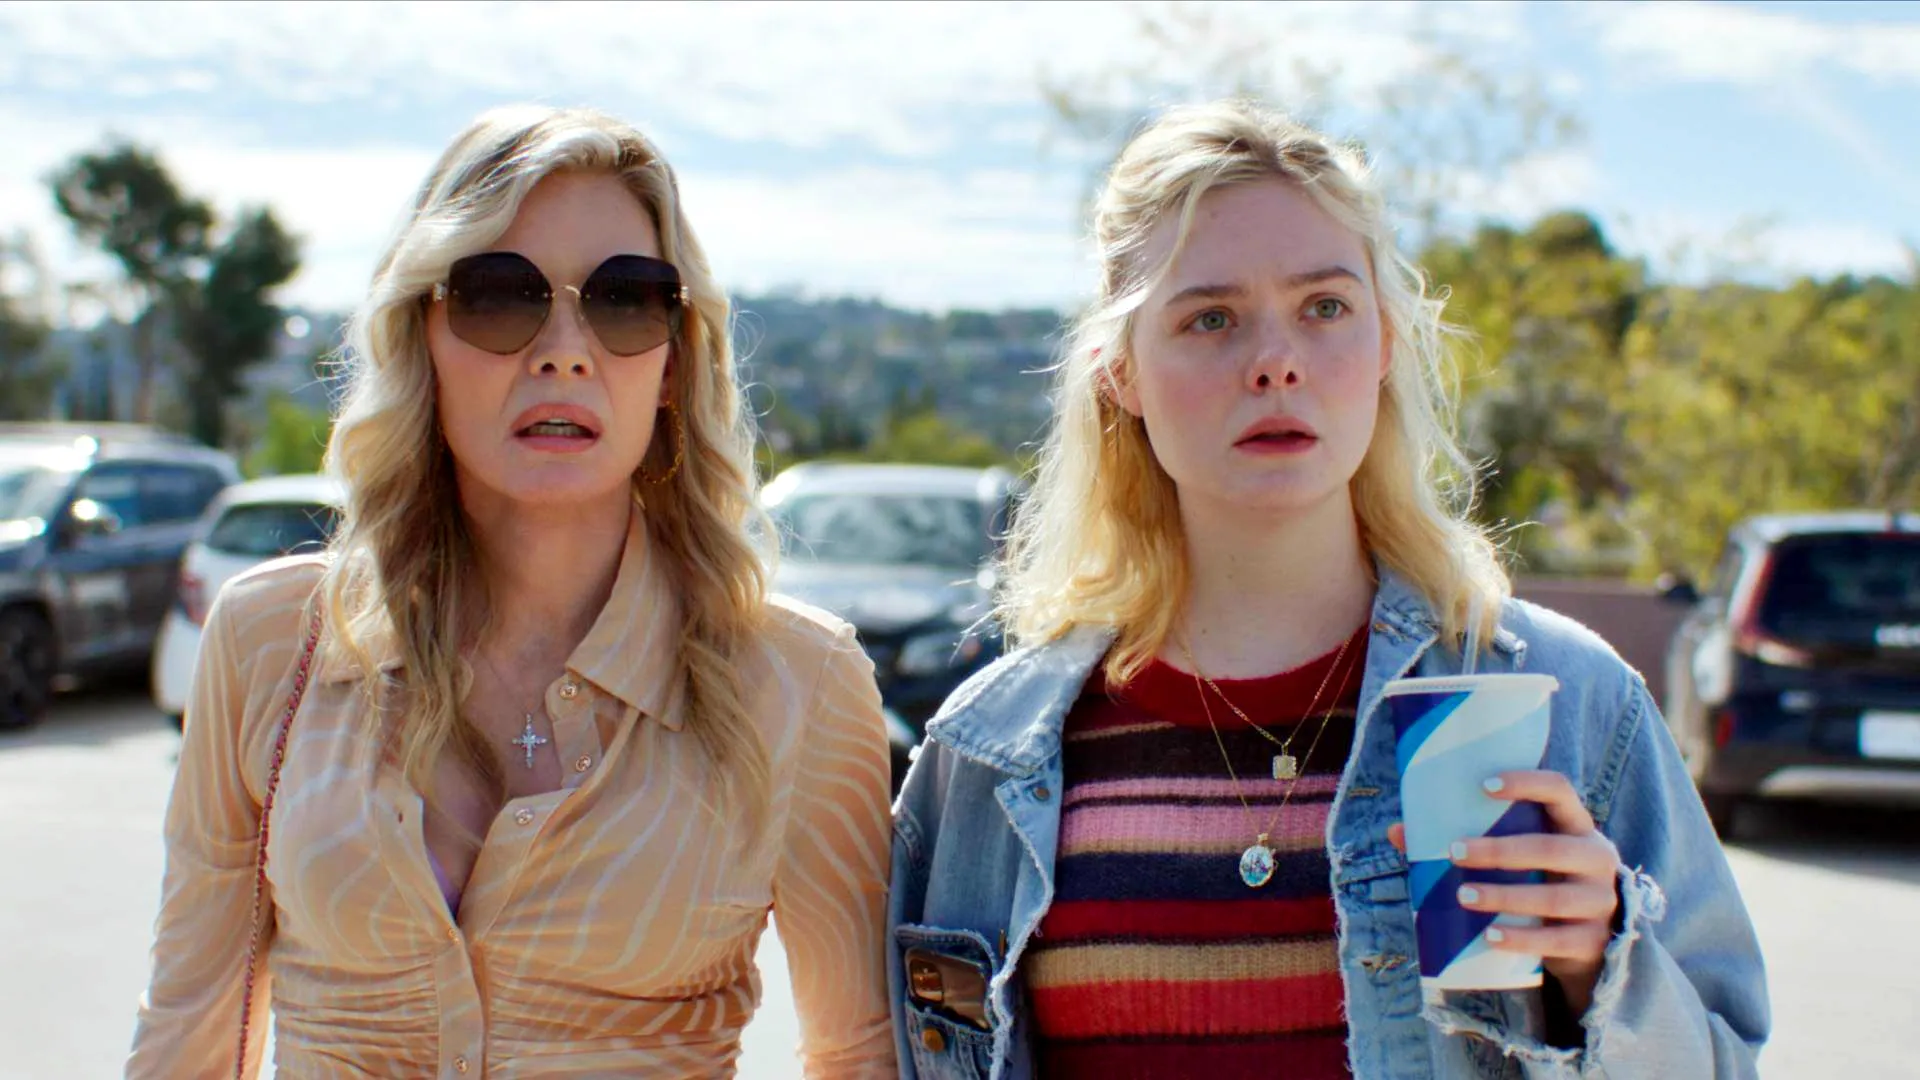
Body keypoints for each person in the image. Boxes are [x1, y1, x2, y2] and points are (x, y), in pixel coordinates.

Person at [887, 99, 1768, 1079]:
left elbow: (1725, 1062)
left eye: (1325, 307)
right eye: (1211, 318)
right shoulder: (987, 755)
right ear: (1120, 375)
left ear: (1384, 343)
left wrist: (1602, 972)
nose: (1276, 363)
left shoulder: (1572, 704)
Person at [128, 106, 896, 1078]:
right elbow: (189, 1033)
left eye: (625, 301)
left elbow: (862, 1056)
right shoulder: (270, 638)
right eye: (499, 296)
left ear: (672, 360)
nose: (564, 351)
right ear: (421, 335)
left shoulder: (799, 681)